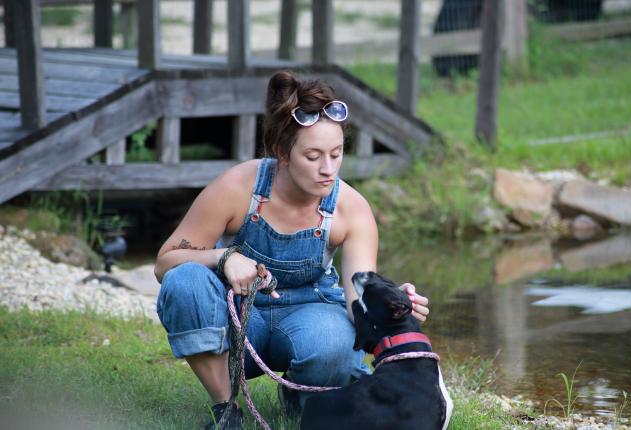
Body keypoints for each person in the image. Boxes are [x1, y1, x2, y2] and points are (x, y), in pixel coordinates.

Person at [153, 71, 430, 430]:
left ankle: (302, 397)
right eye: (313, 156)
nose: (328, 169)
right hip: (238, 322)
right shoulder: (239, 187)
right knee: (185, 281)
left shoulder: (351, 209)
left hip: (311, 315)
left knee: (334, 343)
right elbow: (165, 263)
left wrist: (396, 306)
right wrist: (223, 257)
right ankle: (225, 411)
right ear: (282, 153)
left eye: (336, 153)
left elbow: (357, 301)